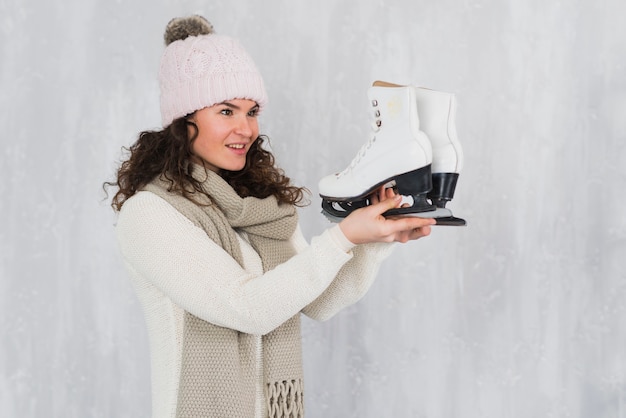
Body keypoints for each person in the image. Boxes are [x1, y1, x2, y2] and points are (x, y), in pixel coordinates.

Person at [107, 15, 435, 418]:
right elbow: (247, 308)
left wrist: (375, 241)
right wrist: (342, 238)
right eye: (227, 111)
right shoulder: (150, 214)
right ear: (182, 121)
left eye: (252, 111)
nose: (246, 128)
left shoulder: (260, 208)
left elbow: (319, 302)